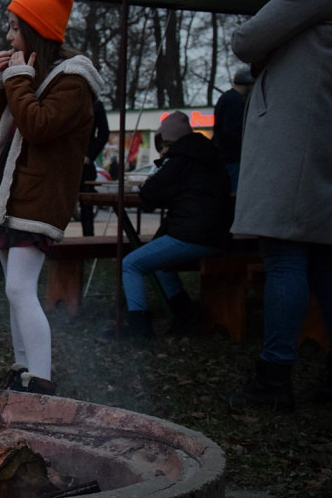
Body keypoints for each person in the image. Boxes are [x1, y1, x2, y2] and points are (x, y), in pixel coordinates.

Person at [0, 0, 101, 395]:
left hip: (38, 200)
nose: (8, 36)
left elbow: (38, 126)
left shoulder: (72, 80)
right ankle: (22, 367)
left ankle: (40, 380)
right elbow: (2, 127)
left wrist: (18, 79)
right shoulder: (34, 73)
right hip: (11, 195)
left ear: (36, 32)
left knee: (19, 287)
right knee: (14, 290)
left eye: (14, 28)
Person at [228, 0, 332, 413]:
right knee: (321, 261)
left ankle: (273, 380)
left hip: (298, 142)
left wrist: (263, 52)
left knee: (286, 256)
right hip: (317, 138)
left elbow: (248, 40)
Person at [115, 111, 232, 339]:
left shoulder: (180, 160)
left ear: (167, 140)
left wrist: (165, 162)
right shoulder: (208, 155)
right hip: (218, 235)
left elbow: (150, 193)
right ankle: (185, 313)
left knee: (130, 263)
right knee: (160, 263)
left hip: (193, 235)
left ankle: (139, 326)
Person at [211, 65, 254, 193]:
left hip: (224, 157)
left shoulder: (226, 98)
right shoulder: (236, 102)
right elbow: (232, 132)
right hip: (233, 159)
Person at [79, 98, 110, 235]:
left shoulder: (95, 103)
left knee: (86, 208)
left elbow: (104, 133)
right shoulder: (93, 103)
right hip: (72, 159)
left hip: (83, 162)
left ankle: (88, 243)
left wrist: (89, 156)